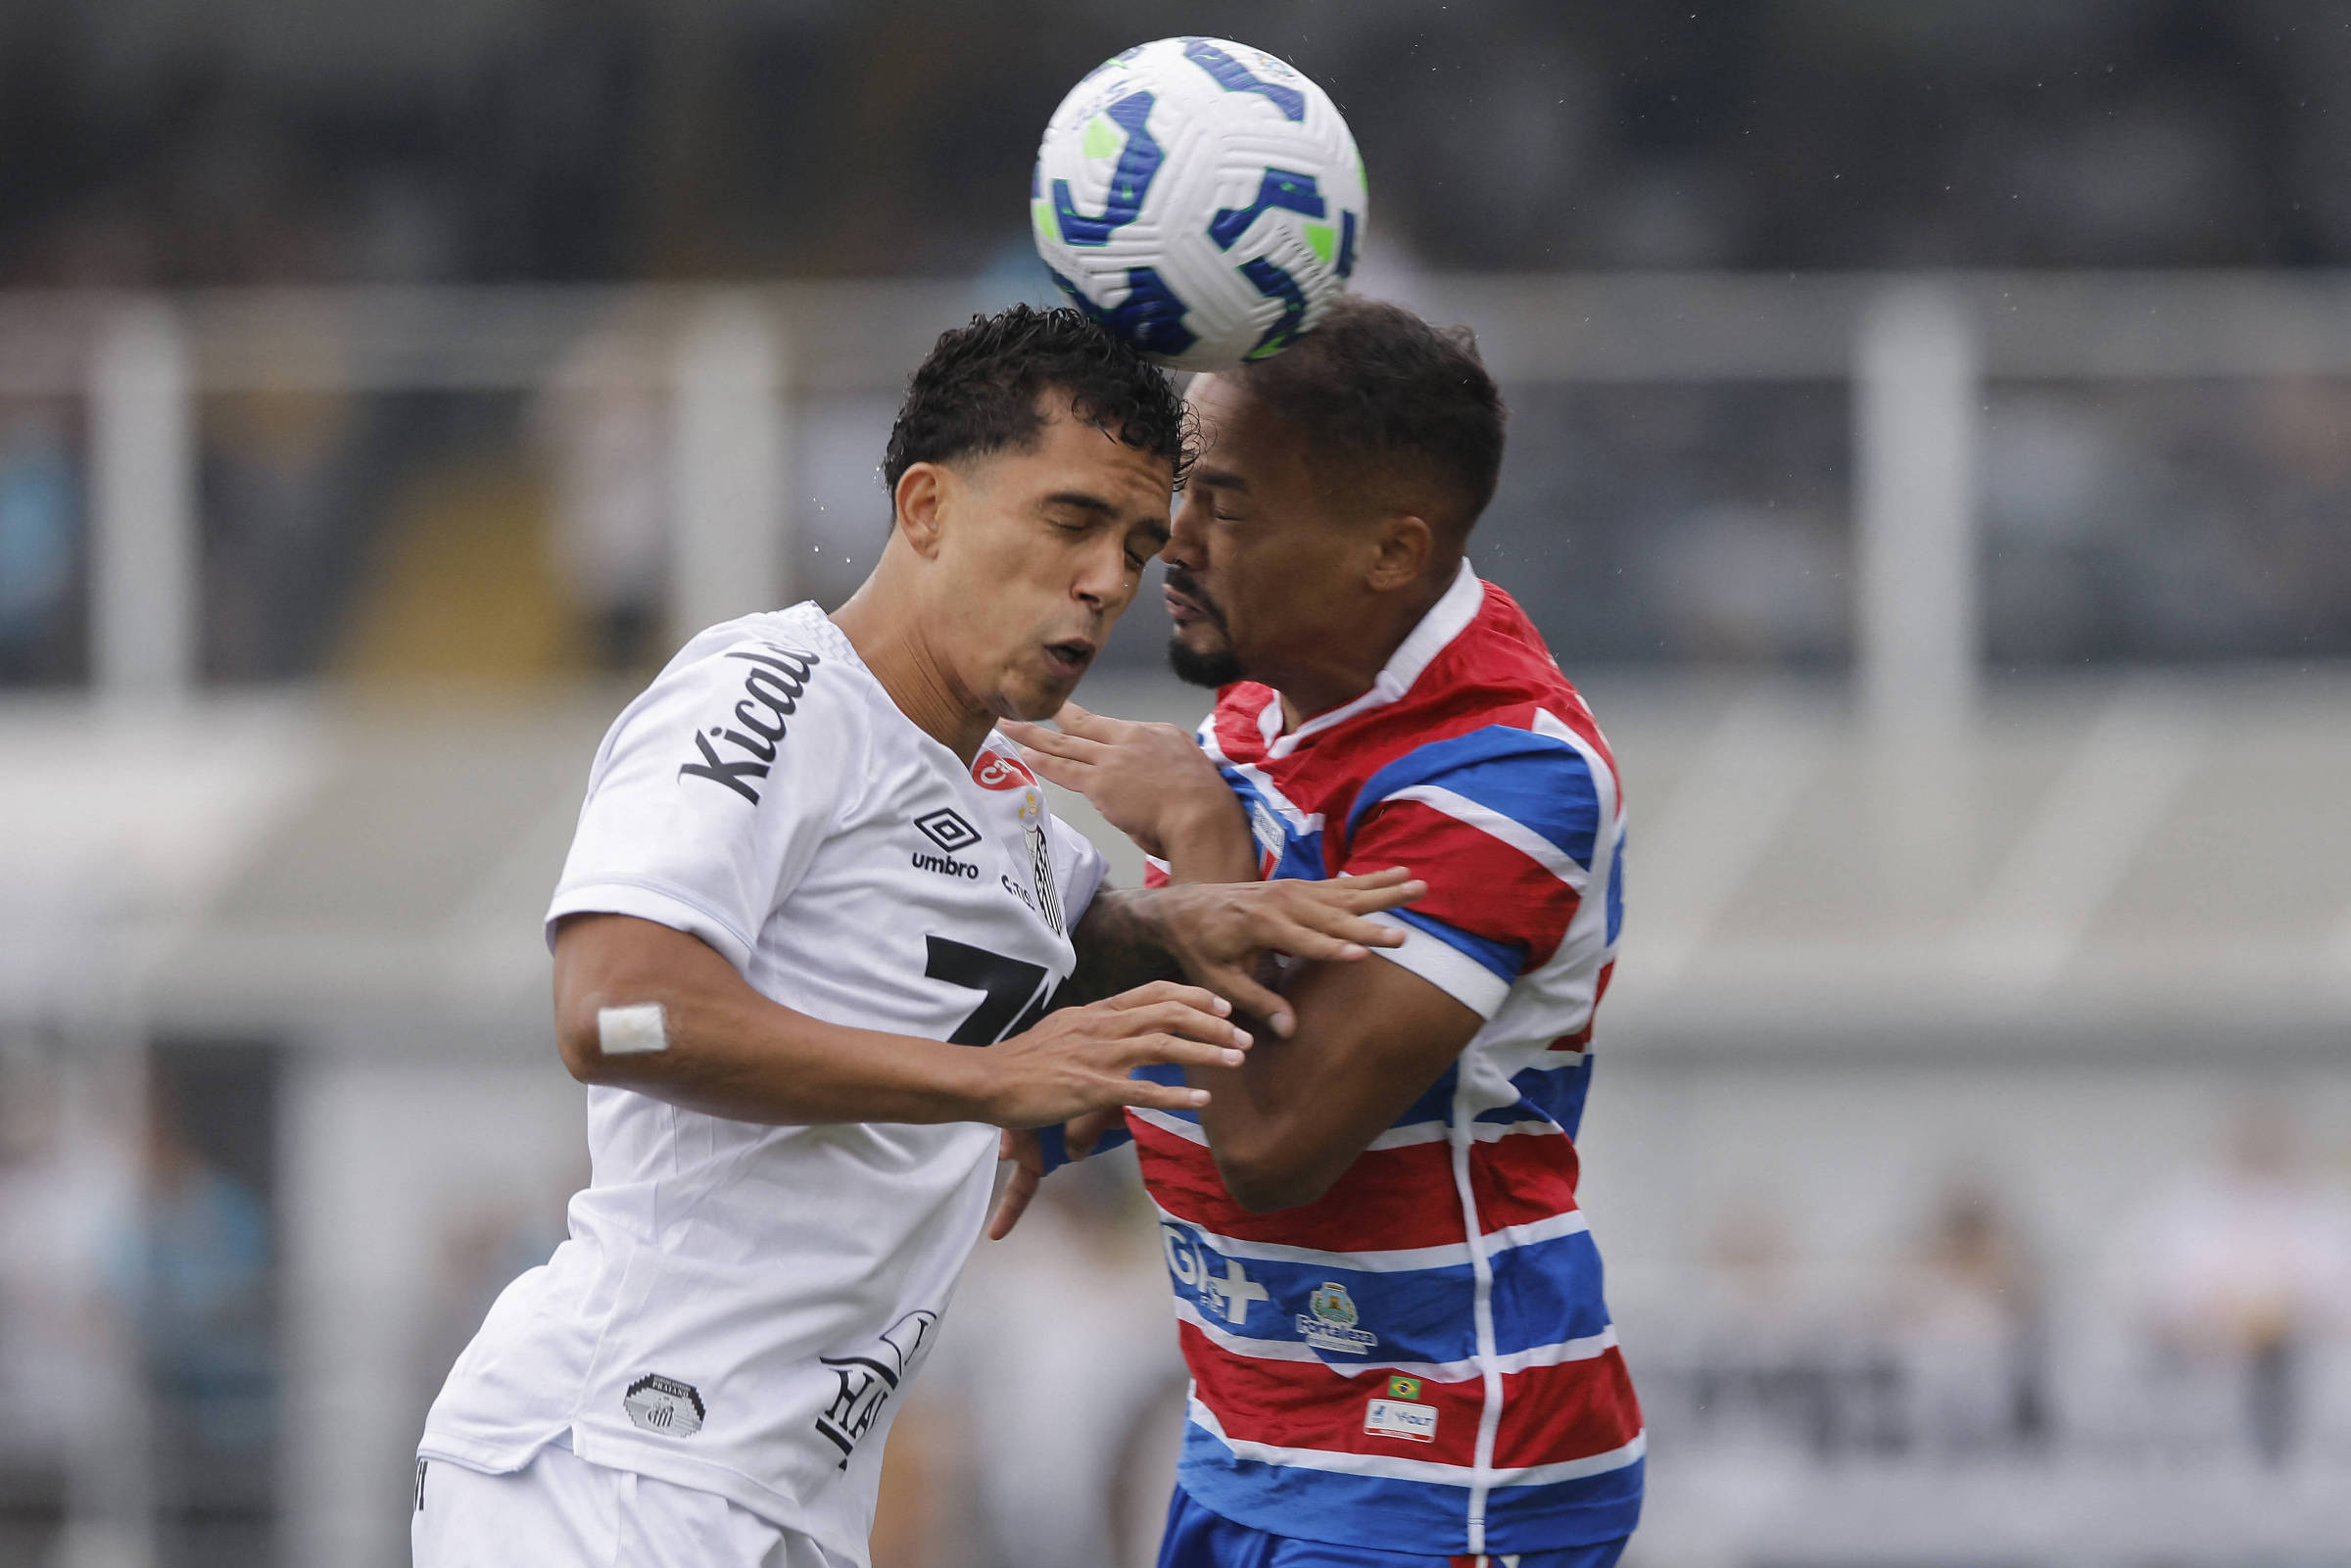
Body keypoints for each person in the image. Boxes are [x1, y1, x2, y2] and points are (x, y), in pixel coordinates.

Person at [411, 306, 1422, 1568]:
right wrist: (989, 1081)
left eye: (1135, 544)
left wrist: (1196, 909)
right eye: (1069, 521)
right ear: (928, 507)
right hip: (614, 1463)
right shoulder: (769, 691)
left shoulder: (1002, 799)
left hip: (782, 1494)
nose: (1107, 581)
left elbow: (1036, 957)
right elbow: (614, 1012)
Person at [998, 298, 1644, 1567]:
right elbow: (1209, 1023)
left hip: (1440, 1464)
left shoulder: (1509, 776)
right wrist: (1080, 1088)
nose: (1173, 539)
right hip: (1247, 1435)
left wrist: (1202, 833)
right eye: (1185, 487)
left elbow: (1275, 1144)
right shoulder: (1265, 699)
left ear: (1390, 553)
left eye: (1228, 506)